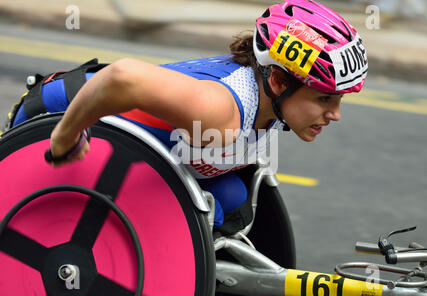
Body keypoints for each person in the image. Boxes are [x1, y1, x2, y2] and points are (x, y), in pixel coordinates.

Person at [7, 0, 368, 233]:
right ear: (277, 79)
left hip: (128, 137)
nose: (334, 114)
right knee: (202, 218)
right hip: (57, 114)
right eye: (324, 99)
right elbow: (121, 76)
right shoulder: (219, 114)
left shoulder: (268, 96)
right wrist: (66, 135)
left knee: (228, 199)